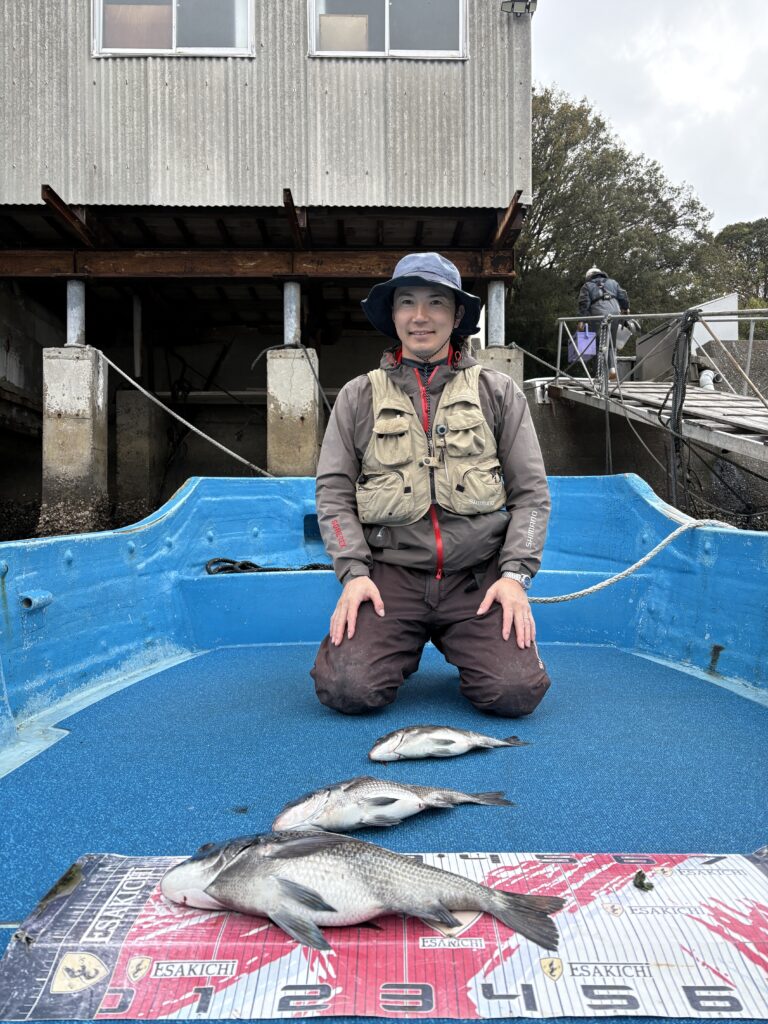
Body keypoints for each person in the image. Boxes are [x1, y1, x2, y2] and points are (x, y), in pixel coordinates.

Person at [309, 252, 552, 718]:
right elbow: (334, 495)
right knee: (345, 689)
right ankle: (396, 641)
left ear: (457, 316)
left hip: (476, 580)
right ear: (393, 314)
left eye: (436, 303)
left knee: (515, 693)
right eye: (407, 302)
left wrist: (514, 577)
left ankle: (470, 642)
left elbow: (532, 496)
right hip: (389, 579)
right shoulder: (358, 396)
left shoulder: (498, 391)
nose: (420, 316)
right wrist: (354, 574)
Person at [577, 266, 630, 381]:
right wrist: (625, 309)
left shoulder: (587, 286)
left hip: (599, 313)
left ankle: (600, 375)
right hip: (615, 312)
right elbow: (623, 296)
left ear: (589, 276)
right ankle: (612, 369)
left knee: (599, 344)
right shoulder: (613, 282)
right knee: (611, 342)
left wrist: (581, 320)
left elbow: (584, 303)